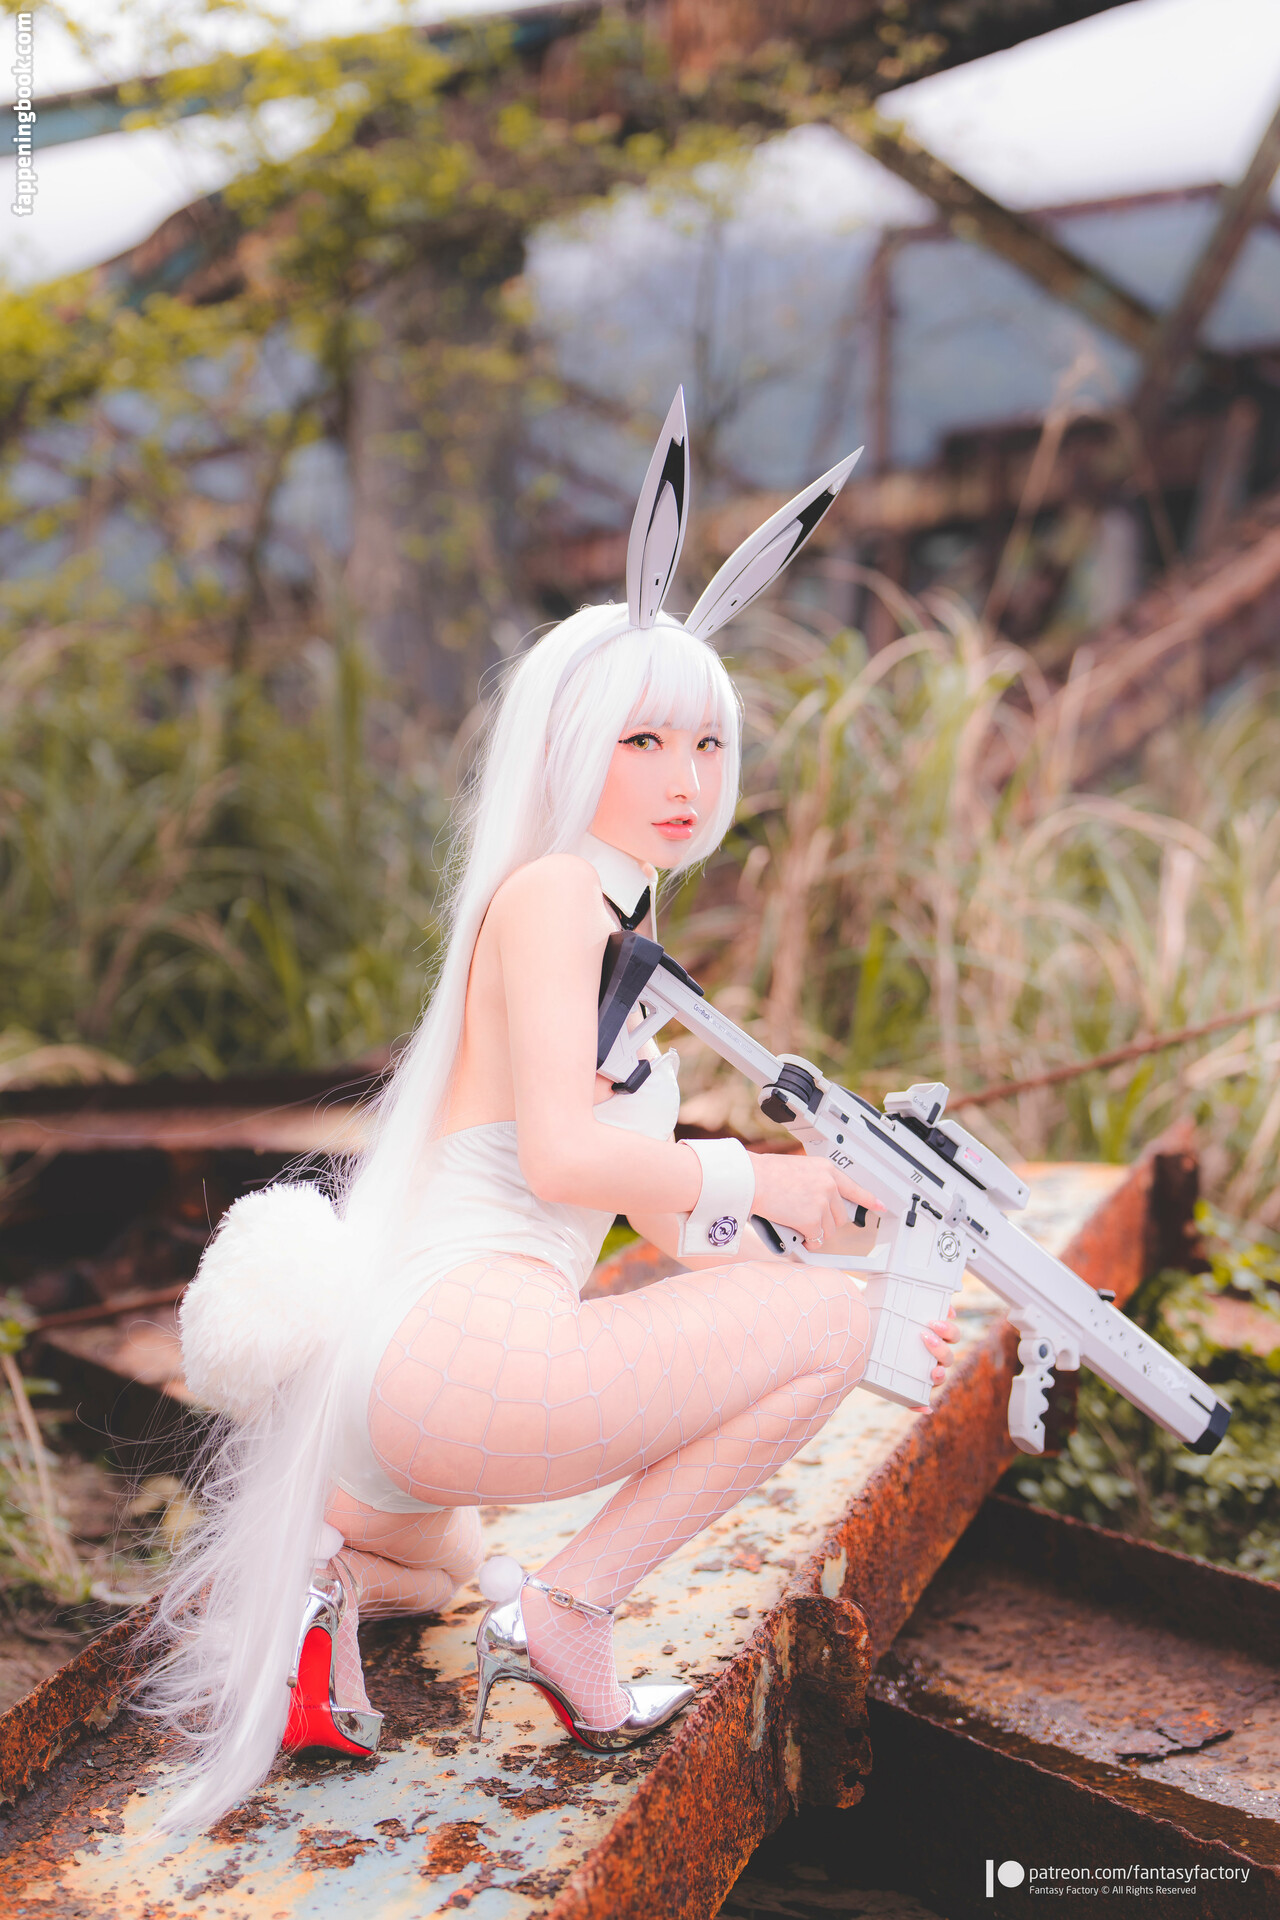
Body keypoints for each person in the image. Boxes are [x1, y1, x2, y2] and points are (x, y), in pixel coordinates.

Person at [149, 392, 959, 1829]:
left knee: (450, 1564)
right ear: (570, 744)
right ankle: (571, 1609)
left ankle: (326, 1581)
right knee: (835, 1334)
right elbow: (568, 1155)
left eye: (706, 747)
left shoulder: (614, 932)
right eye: (642, 742)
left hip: (409, 1402)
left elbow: (666, 1222)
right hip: (460, 1348)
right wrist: (768, 1194)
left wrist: (839, 1221)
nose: (683, 781)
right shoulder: (555, 898)